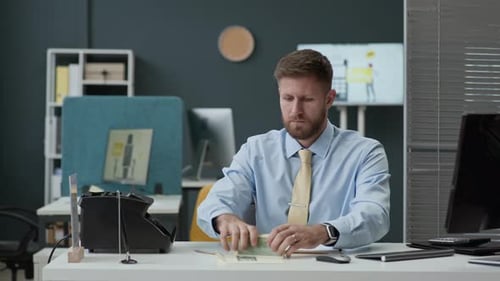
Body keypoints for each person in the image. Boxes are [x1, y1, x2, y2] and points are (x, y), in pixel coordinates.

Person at [197, 49, 390, 256]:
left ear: (329, 99)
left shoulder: (366, 152)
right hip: (267, 269)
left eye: (307, 100)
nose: (295, 110)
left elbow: (374, 215)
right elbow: (216, 202)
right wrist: (224, 219)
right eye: (287, 98)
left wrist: (323, 232)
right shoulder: (256, 150)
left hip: (336, 269)